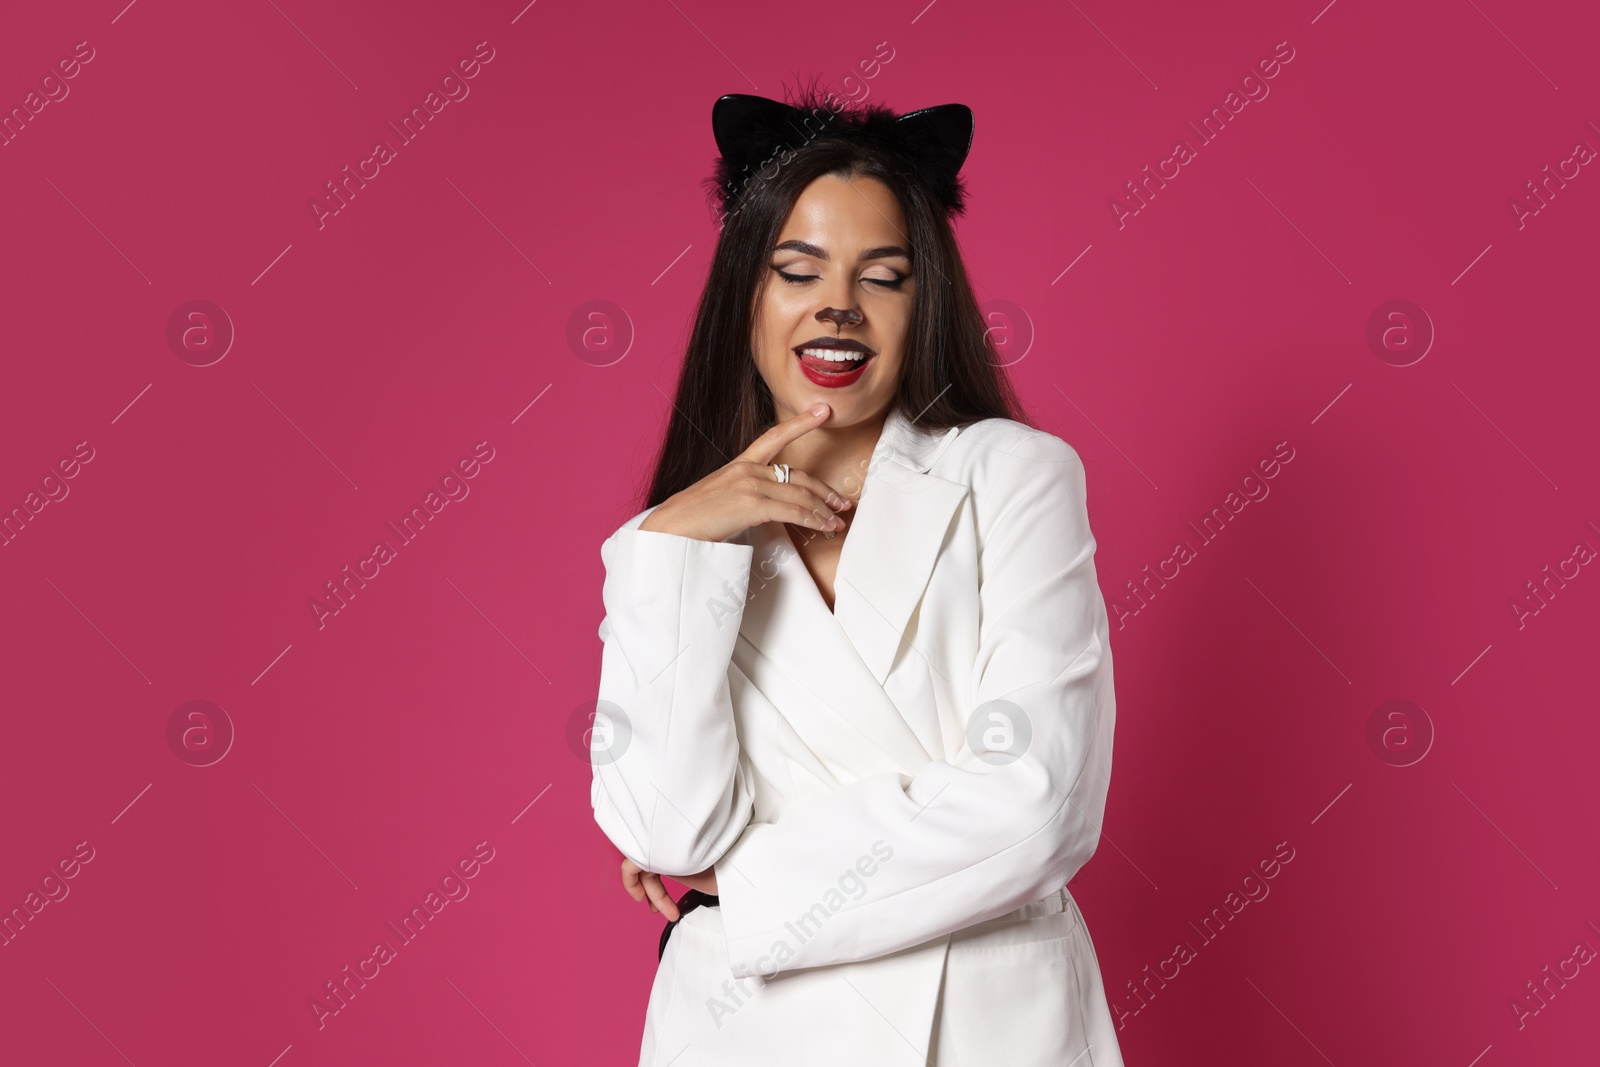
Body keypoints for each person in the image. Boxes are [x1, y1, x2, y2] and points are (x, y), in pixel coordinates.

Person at [588, 84, 1124, 1066]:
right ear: (745, 294)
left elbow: (1040, 801)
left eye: (884, 276)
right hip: (742, 1031)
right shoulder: (672, 543)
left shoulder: (1010, 475)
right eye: (798, 269)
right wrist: (674, 544)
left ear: (926, 303)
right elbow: (668, 831)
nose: (838, 303)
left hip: (982, 1026)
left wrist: (746, 879)